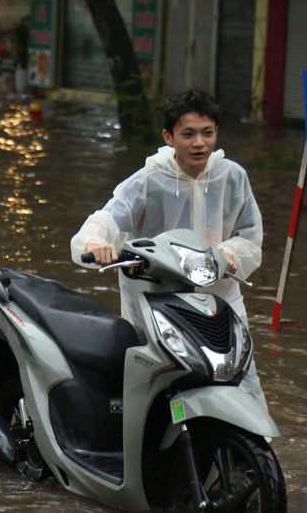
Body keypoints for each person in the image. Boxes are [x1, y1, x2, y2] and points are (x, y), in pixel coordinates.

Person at [70, 89, 267, 408]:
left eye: (207, 133)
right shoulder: (149, 180)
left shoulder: (232, 177)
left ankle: (254, 451)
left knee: (244, 383)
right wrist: (96, 242)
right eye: (188, 134)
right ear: (169, 136)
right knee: (153, 388)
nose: (199, 143)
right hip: (156, 300)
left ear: (217, 132)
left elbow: (250, 234)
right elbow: (109, 217)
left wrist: (231, 253)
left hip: (220, 296)